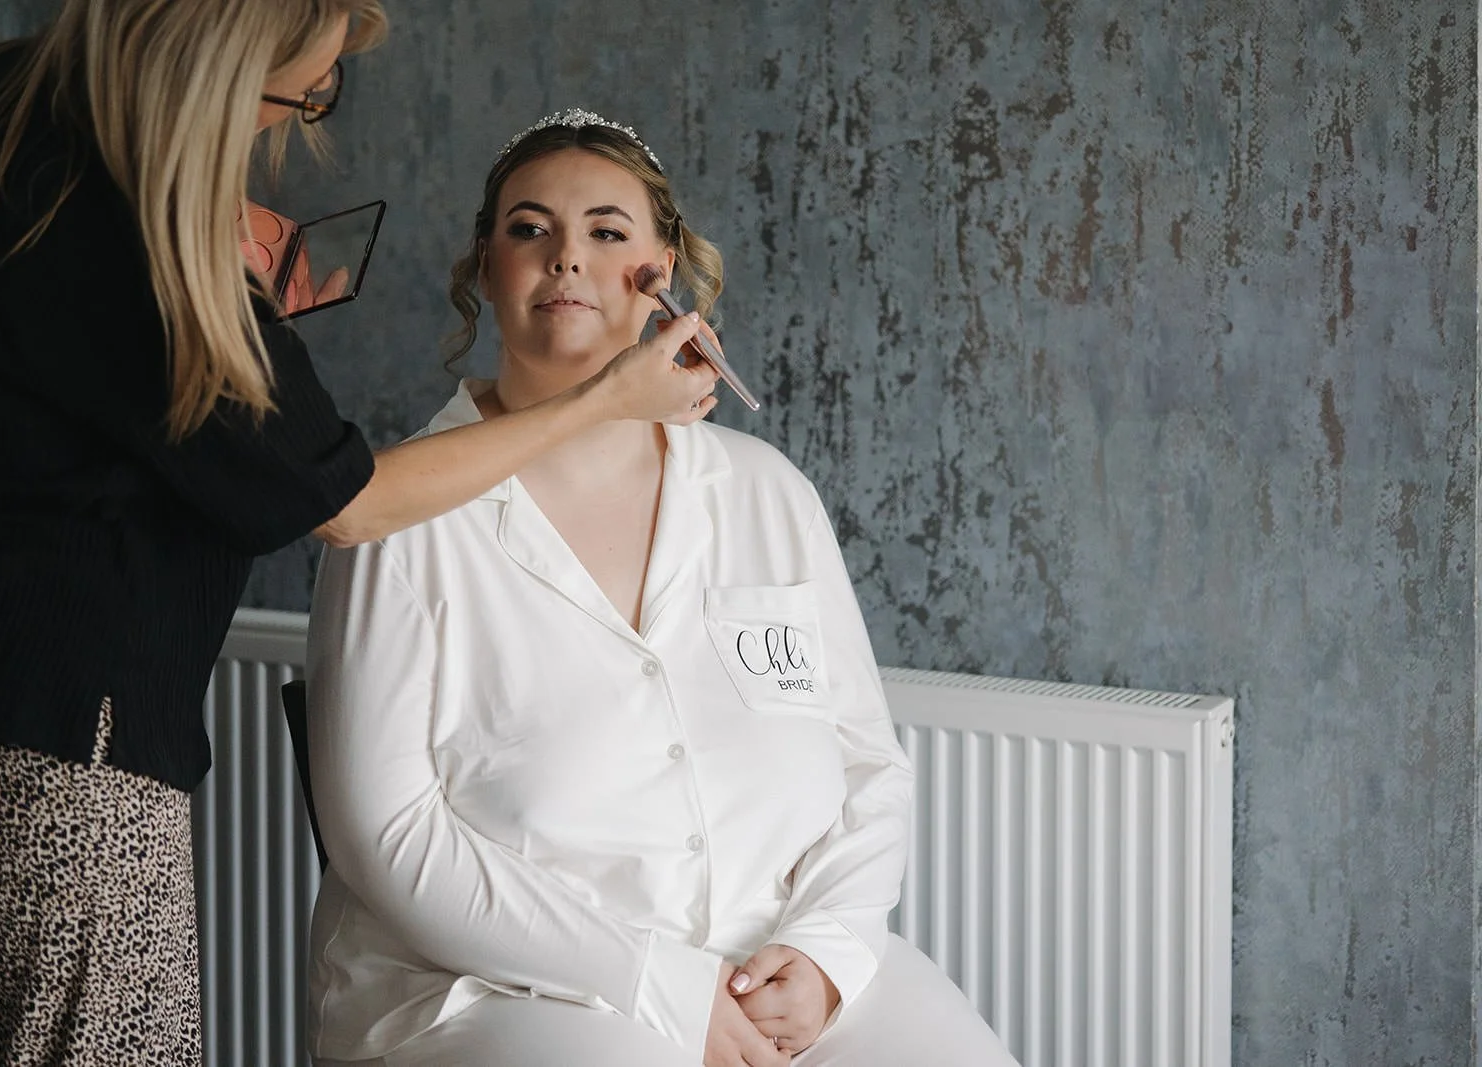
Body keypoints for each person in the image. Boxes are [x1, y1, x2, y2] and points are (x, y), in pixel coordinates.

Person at [0, 4, 717, 1061]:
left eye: (608, 230)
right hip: (69, 753)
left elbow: (66, 345)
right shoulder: (139, 251)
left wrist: (209, 236)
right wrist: (605, 401)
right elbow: (347, 501)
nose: (287, 129)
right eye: (295, 97)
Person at [303, 109, 1021, 1067]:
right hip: (505, 992)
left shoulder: (767, 495)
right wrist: (659, 983)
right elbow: (387, 838)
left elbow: (867, 766)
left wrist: (826, 953)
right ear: (484, 266)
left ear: (664, 268)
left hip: (779, 969)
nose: (566, 260)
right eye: (529, 230)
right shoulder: (401, 515)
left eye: (607, 231)